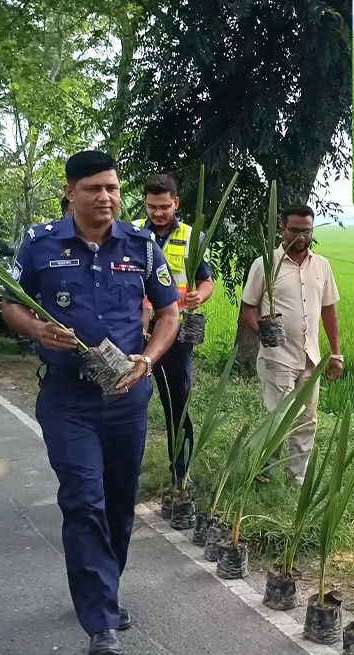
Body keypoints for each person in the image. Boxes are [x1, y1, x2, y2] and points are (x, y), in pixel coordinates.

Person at [2, 151, 180, 655]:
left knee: (120, 503)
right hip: (69, 400)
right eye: (94, 188)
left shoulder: (141, 246)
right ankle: (100, 618)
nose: (106, 197)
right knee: (83, 500)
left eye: (112, 188)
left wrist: (148, 359)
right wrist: (36, 328)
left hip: (127, 396)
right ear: (70, 192)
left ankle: (106, 586)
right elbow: (9, 303)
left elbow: (169, 312)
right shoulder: (40, 244)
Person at [239, 206, 343, 487]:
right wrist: (263, 331)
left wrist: (336, 353)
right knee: (278, 418)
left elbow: (329, 311)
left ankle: (297, 478)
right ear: (282, 229)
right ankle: (262, 473)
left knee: (307, 420)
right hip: (277, 357)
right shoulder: (265, 264)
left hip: (311, 358)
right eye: (294, 230)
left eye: (306, 231)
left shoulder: (322, 266)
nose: (300, 236)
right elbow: (248, 309)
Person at [133, 173, 214, 491]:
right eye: (152, 206)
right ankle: (127, 472)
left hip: (175, 335)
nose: (157, 213)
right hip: (136, 332)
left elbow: (207, 282)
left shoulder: (193, 237)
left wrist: (199, 297)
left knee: (177, 406)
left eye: (164, 207)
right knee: (129, 403)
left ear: (176, 203)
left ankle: (181, 474)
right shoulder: (132, 233)